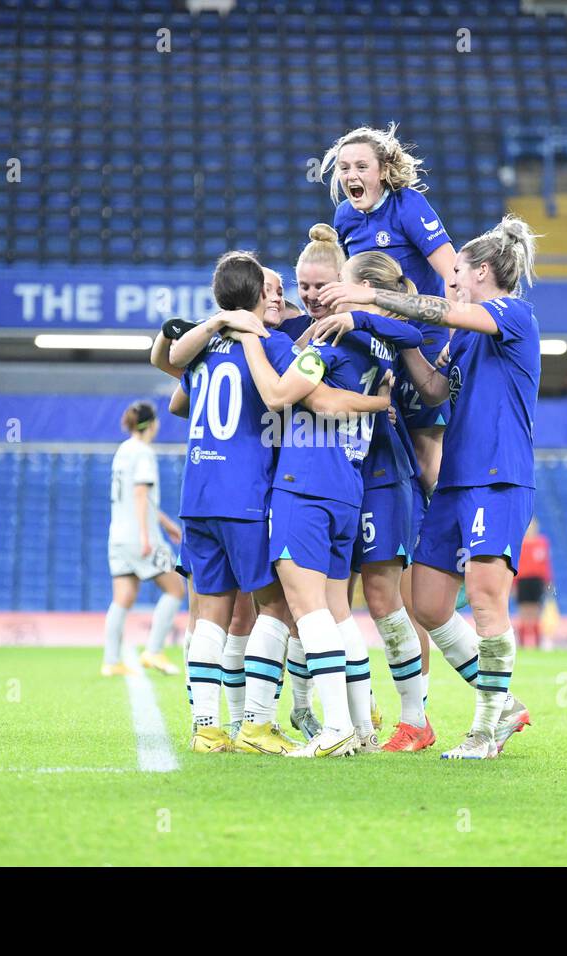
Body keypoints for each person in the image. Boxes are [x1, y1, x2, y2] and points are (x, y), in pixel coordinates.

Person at [319, 214, 540, 760]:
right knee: (430, 602)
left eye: (459, 271)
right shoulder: (466, 336)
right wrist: (395, 346)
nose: (452, 279)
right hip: (456, 482)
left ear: (482, 271)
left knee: (487, 601)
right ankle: (504, 704)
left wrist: (373, 296)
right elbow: (436, 390)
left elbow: (440, 310)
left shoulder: (513, 314)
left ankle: (485, 731)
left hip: (498, 477)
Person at [167, 252, 391, 754]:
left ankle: (206, 727)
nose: (282, 295)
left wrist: (213, 325)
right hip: (248, 494)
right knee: (277, 607)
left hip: (197, 493)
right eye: (271, 288)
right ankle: (257, 723)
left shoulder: (205, 349)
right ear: (252, 296)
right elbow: (318, 400)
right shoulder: (275, 344)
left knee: (211, 613)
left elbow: (175, 395)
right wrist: (380, 402)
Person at [235, 263, 413, 757]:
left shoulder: (325, 344)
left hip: (305, 484)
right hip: (347, 489)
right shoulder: (377, 343)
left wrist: (252, 339)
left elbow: (296, 398)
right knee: (338, 614)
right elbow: (414, 328)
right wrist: (380, 404)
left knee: (308, 611)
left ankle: (334, 728)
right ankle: (360, 730)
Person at [307, 247, 436, 752]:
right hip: (350, 476)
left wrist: (360, 308)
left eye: (340, 282)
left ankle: (414, 716)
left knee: (384, 600)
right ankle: (354, 714)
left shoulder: (377, 330)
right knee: (336, 601)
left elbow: (414, 332)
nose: (330, 292)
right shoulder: (350, 330)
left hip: (383, 473)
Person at [322, 124, 455, 496]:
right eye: (344, 168)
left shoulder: (408, 205)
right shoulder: (344, 217)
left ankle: (445, 548)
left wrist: (455, 338)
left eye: (361, 166)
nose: (351, 175)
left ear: (382, 170)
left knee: (428, 461)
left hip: (422, 340)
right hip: (380, 347)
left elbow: (453, 273)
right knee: (385, 450)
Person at [104, 401, 185, 678]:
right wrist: (146, 535)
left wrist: (166, 523)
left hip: (117, 537)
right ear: (152, 424)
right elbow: (140, 494)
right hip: (141, 537)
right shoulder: (143, 453)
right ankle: (153, 650)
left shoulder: (123, 451)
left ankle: (111, 661)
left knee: (123, 597)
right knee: (176, 589)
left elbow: (137, 497)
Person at [515, 518, 553, 648]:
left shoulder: (542, 542)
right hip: (522, 580)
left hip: (537, 581)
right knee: (524, 612)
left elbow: (545, 565)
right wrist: (513, 584)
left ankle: (537, 643)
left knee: (536, 612)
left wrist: (548, 582)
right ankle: (522, 642)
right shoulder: (520, 543)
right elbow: (516, 565)